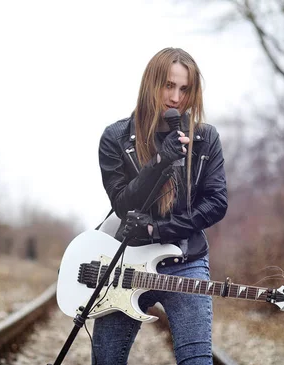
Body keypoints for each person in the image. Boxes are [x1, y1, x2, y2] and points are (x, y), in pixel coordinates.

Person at [95, 47, 228, 365]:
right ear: (151, 84)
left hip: (187, 260)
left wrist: (162, 229)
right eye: (169, 85)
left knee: (197, 361)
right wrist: (160, 161)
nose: (176, 97)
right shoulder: (115, 138)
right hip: (127, 262)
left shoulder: (205, 138)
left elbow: (216, 203)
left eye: (184, 89)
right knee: (107, 360)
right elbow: (123, 203)